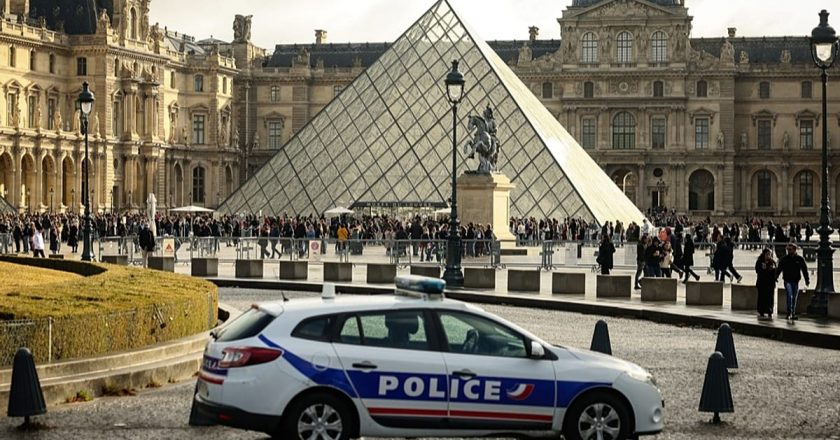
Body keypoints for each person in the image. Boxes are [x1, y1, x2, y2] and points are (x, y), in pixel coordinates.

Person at [776, 243, 809, 321]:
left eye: (790, 249)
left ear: (795, 249)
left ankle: (792, 313)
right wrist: (776, 277)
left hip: (795, 281)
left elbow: (804, 270)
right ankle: (789, 313)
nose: (789, 251)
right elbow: (779, 269)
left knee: (794, 297)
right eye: (788, 249)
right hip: (787, 280)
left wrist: (807, 280)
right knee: (789, 295)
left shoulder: (800, 259)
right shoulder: (784, 259)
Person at [755, 248, 777, 319]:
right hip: (762, 282)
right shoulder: (759, 262)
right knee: (762, 297)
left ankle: (769, 310)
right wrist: (762, 269)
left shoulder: (772, 262)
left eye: (769, 254)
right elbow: (757, 270)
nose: (768, 256)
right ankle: (761, 310)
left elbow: (775, 272)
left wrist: (772, 270)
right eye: (767, 254)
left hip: (770, 283)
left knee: (770, 297)